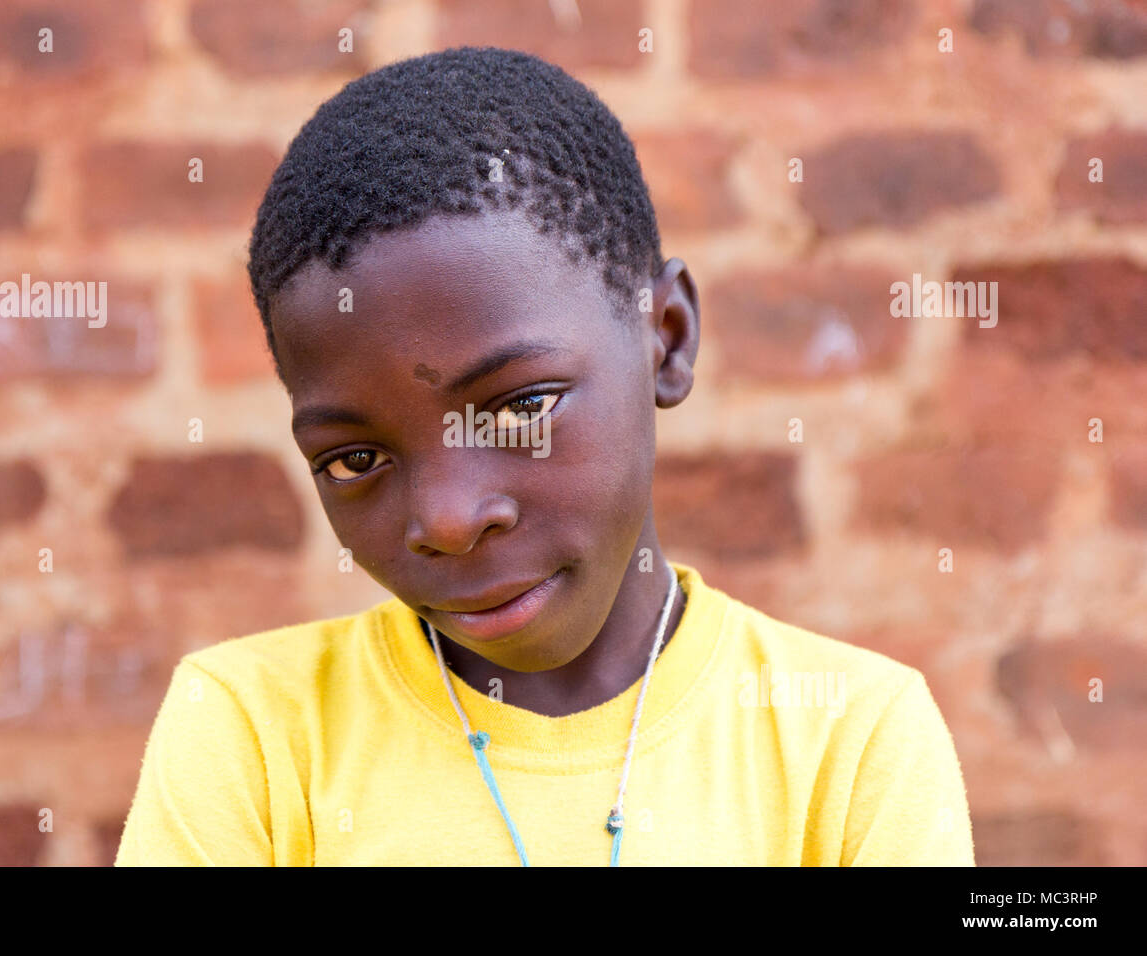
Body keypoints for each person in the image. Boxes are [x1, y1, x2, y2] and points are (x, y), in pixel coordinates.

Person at [115, 46, 974, 866]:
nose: (448, 521)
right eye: (354, 460)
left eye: (522, 407)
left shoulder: (850, 743)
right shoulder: (251, 736)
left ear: (665, 340)